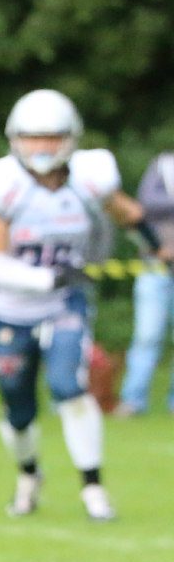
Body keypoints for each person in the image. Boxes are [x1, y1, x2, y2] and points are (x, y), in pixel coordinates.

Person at [0, 89, 171, 520]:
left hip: (66, 302)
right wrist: (49, 276)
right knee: (18, 406)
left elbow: (127, 214)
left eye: (51, 136)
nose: (41, 146)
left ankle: (92, 487)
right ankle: (29, 475)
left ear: (70, 137)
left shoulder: (90, 176)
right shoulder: (1, 184)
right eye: (32, 137)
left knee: (68, 387)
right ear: (15, 138)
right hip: (13, 306)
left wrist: (158, 248)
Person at [116, 151, 174, 416]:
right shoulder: (164, 164)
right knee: (146, 336)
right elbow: (145, 205)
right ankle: (133, 400)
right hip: (156, 266)